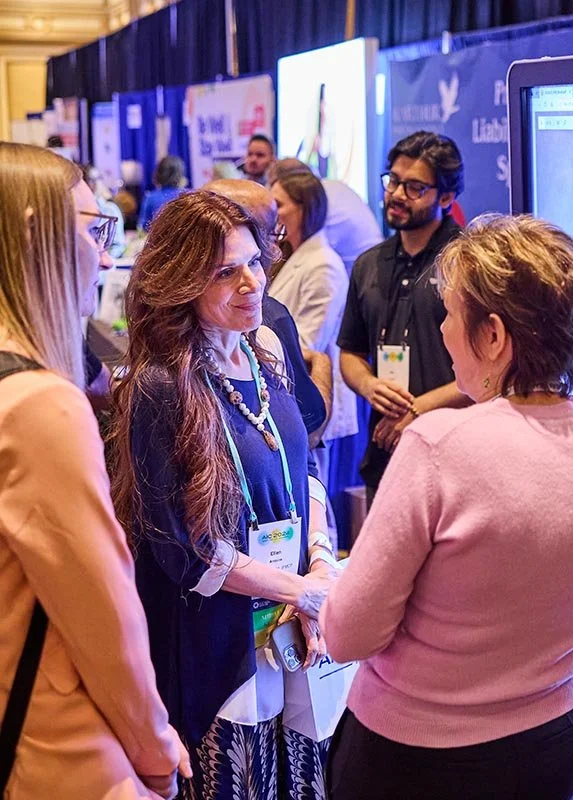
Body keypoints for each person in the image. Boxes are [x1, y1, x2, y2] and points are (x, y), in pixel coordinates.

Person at [321, 214, 573, 800]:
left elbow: (348, 635)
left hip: (421, 759)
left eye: (449, 314)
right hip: (559, 741)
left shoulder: (438, 446)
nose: (443, 330)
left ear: (493, 336)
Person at [110, 191, 337, 799]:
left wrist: (317, 566)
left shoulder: (266, 351)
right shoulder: (161, 386)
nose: (250, 282)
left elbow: (305, 467)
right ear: (182, 282)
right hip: (216, 652)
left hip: (290, 631)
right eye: (224, 272)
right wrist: (298, 589)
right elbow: (185, 551)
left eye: (253, 262)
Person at [0, 142, 189, 798]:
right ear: (36, 234)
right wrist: (155, 747)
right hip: (55, 749)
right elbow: (105, 619)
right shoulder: (40, 405)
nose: (108, 258)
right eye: (94, 230)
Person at [337, 131, 468, 507]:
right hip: (386, 456)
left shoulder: (469, 261)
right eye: (393, 181)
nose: (396, 194)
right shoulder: (368, 264)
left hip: (456, 459)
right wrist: (368, 385)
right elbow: (351, 353)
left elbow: (493, 371)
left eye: (414, 187)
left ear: (446, 198)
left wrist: (417, 408)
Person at [204, 177, 332, 445]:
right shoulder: (268, 317)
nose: (275, 248)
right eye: (226, 272)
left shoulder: (267, 324)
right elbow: (311, 427)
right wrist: (322, 364)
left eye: (253, 262)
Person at [269, 171, 358, 497]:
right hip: (287, 394)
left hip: (310, 396)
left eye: (279, 205)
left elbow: (308, 344)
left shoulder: (323, 265)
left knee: (313, 496)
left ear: (304, 208)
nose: (273, 213)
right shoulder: (292, 258)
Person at [269, 158, 383, 275]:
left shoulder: (317, 206)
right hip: (371, 263)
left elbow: (304, 261)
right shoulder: (331, 188)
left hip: (366, 272)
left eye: (278, 204)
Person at [83, 164, 127, 258]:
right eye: (90, 179)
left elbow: (118, 245)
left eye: (98, 178)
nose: (95, 183)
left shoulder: (110, 209)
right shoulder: (77, 210)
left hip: (107, 262)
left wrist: (104, 259)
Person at [138, 155, 186, 231]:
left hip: (158, 237)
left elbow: (143, 227)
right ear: (180, 174)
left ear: (158, 173)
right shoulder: (189, 196)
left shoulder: (150, 198)